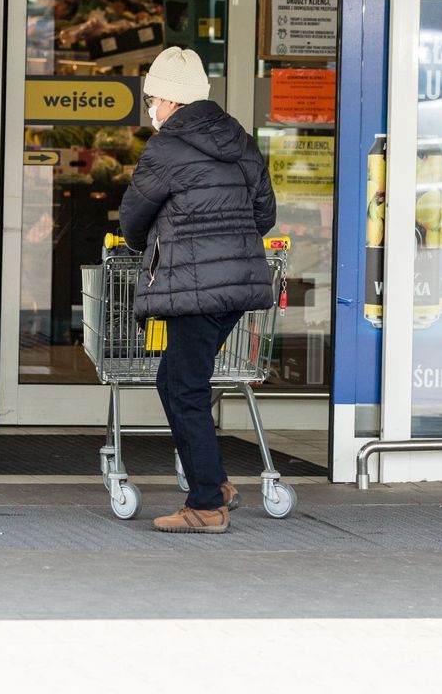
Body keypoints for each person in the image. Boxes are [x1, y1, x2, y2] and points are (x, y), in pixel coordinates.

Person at [118, 46, 276, 533]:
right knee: (177, 381)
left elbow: (133, 217)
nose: (150, 106)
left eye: (151, 97)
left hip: (192, 286)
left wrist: (157, 244)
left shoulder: (166, 148)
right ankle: (216, 483)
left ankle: (207, 504)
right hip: (235, 285)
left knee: (183, 387)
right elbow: (265, 214)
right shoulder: (240, 140)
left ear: (168, 99)